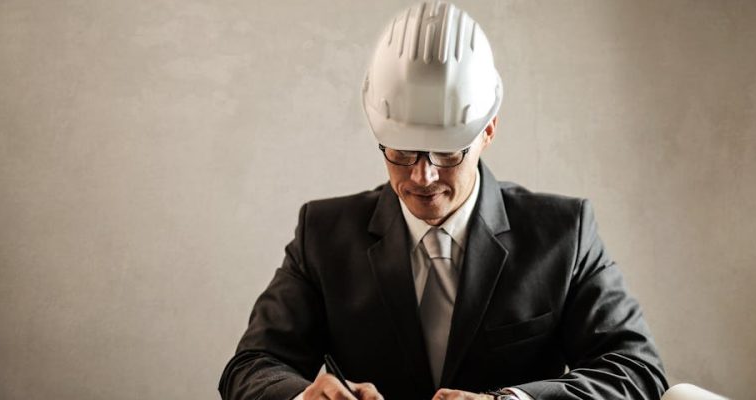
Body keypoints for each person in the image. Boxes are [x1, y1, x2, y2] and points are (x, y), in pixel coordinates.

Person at [218, 2, 667, 399]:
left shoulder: (564, 233)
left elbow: (637, 371)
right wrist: (304, 398)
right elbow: (250, 368)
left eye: (448, 152)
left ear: (487, 132)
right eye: (401, 151)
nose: (423, 176)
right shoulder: (322, 233)